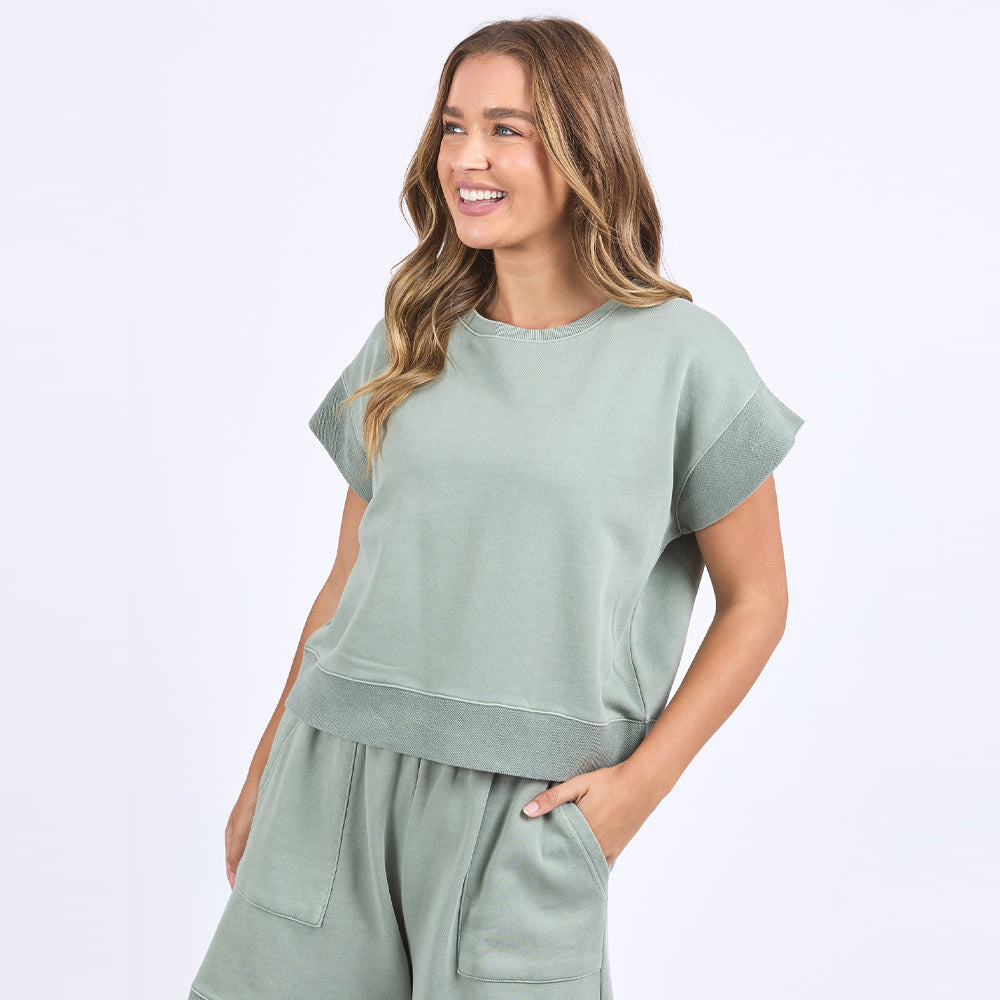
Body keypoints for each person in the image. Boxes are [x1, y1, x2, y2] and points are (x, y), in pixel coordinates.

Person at [187, 16, 805, 1000]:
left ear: (583, 146)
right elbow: (347, 579)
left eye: (505, 129)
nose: (466, 158)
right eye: (452, 126)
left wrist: (633, 795)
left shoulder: (685, 359)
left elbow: (757, 602)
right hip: (331, 783)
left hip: (526, 817)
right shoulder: (410, 337)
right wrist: (267, 765)